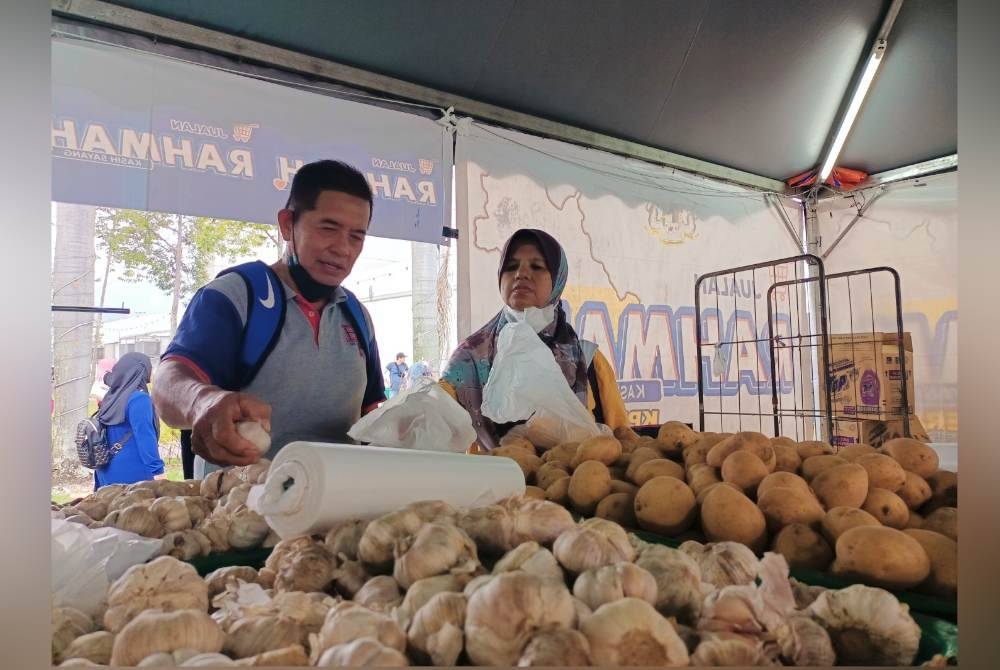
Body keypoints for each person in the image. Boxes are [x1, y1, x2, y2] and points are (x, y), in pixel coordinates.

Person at [152, 160, 386, 477]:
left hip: (335, 502)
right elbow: (167, 382)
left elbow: (373, 415)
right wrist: (202, 402)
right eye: (328, 228)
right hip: (237, 503)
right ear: (288, 224)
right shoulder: (237, 297)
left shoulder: (357, 316)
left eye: (356, 236)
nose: (343, 249)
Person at [439, 228, 629, 451]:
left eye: (537, 267)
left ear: (557, 280)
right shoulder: (468, 360)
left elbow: (622, 439)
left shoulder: (587, 361)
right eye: (511, 267)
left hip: (576, 473)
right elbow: (439, 426)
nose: (521, 274)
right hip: (495, 474)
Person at [94, 352, 165, 487]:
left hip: (105, 471)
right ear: (141, 370)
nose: (153, 370)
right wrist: (158, 471)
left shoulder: (111, 397)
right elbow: (145, 437)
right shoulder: (139, 399)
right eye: (150, 366)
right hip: (133, 473)